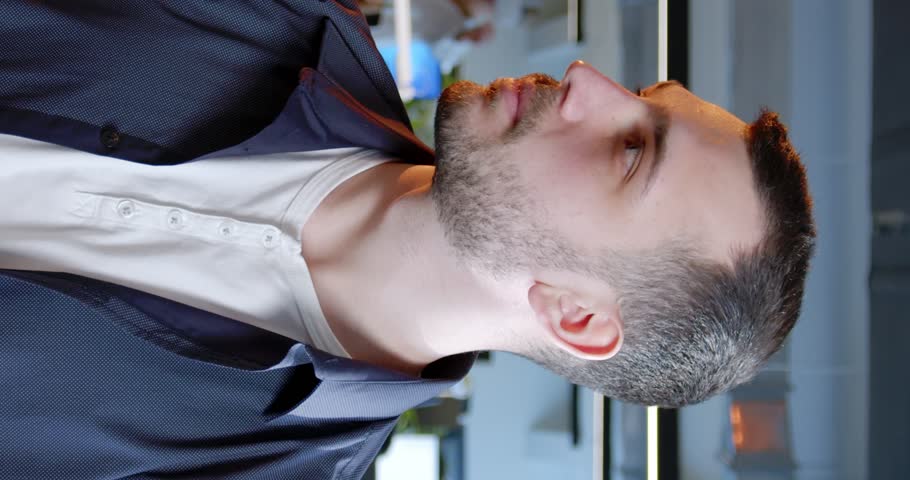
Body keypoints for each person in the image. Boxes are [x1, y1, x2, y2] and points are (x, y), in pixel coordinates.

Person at [0, 0, 815, 478]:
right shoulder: (283, 15)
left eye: (631, 151)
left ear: (576, 318)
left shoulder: (263, 467)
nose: (584, 83)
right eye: (640, 93)